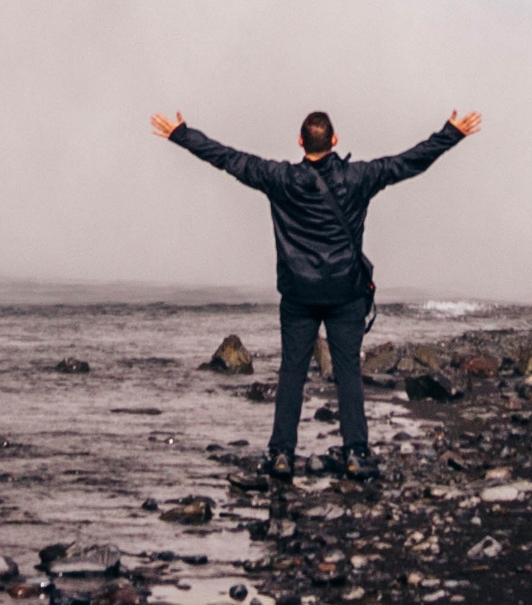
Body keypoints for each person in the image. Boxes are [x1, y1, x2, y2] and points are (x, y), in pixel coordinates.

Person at [150, 103, 481, 485]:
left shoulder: (279, 178)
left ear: (300, 141)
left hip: (298, 295)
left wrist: (181, 135)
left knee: (292, 372)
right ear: (335, 141)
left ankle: (281, 456)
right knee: (348, 373)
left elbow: (227, 158)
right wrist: (451, 133)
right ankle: (356, 453)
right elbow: (409, 162)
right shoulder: (359, 177)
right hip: (345, 293)